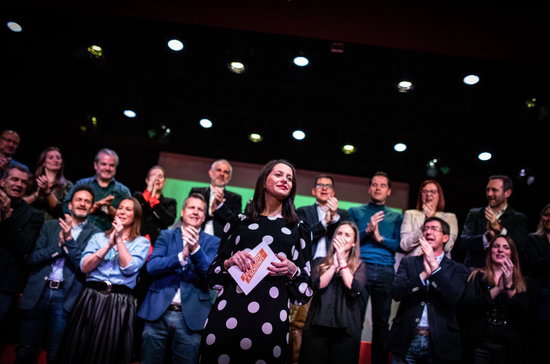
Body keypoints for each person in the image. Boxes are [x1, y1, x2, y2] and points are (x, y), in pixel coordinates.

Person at [200, 159, 312, 363]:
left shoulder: (299, 229)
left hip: (271, 318)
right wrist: (228, 262)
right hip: (228, 311)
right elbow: (212, 276)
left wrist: (293, 270)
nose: (285, 180)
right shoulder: (237, 222)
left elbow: (304, 291)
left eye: (290, 178)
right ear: (263, 180)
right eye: (278, 174)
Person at [58, 197, 150, 364]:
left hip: (118, 302)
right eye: (120, 208)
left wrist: (119, 240)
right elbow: (85, 267)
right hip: (91, 298)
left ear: (136, 216)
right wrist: (109, 244)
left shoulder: (141, 242)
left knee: (106, 351)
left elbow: (129, 268)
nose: (122, 211)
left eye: (128, 209)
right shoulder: (98, 237)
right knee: (78, 348)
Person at [15, 186, 101, 364]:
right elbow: (31, 259)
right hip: (39, 292)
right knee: (25, 351)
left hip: (66, 297)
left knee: (55, 354)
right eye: (79, 199)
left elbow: (84, 267)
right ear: (69, 205)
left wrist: (68, 242)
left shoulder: (96, 234)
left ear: (92, 208)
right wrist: (58, 248)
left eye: (87, 201)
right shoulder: (49, 226)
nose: (83, 204)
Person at [138, 193, 220, 364]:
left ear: (204, 216)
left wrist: (196, 250)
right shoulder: (166, 236)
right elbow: (152, 267)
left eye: (200, 210)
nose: (196, 212)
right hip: (158, 312)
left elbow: (211, 275)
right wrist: (180, 257)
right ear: (182, 212)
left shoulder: (213, 242)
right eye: (192, 208)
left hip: (191, 317)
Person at [388, 217, 469, 364]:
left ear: (445, 238)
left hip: (439, 342)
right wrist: (423, 275)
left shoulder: (458, 269)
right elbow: (396, 292)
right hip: (407, 338)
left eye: (434, 228)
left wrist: (434, 266)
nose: (428, 232)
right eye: (425, 228)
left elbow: (453, 297)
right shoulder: (409, 262)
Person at [290, 175, 349, 363]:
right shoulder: (303, 211)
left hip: (335, 272)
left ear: (333, 192)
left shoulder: (344, 215)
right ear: (313, 191)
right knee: (298, 323)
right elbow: (303, 236)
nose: (324, 188)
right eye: (320, 185)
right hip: (308, 270)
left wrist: (334, 218)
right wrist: (325, 222)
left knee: (325, 323)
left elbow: (347, 240)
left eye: (328, 186)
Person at [347, 171, 403, 364]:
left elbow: (400, 245)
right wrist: (367, 231)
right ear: (369, 188)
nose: (378, 188)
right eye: (375, 185)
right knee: (355, 320)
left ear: (389, 191)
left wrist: (380, 238)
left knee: (381, 323)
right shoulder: (355, 212)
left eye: (382, 185)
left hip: (386, 270)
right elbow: (350, 240)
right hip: (361, 267)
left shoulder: (396, 217)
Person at [299, 221, 367, 364]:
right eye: (339, 233)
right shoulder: (319, 261)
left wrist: (342, 262)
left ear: (354, 243)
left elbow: (353, 287)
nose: (342, 237)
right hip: (317, 327)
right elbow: (317, 286)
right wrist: (333, 265)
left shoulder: (360, 265)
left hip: (346, 330)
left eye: (347, 235)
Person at [460, 235, 532, 363]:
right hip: (480, 345)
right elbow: (467, 308)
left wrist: (509, 285)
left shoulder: (524, 282)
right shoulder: (475, 275)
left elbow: (524, 314)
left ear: (512, 254)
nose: (500, 250)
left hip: (509, 347)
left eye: (506, 247)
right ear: (490, 251)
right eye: (496, 246)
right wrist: (498, 288)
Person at [0, 165, 43, 335]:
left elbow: (24, 247)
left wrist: (8, 216)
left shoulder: (33, 215)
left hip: (5, 285)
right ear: (2, 181)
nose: (19, 184)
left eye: (24, 182)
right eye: (14, 179)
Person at [457, 175, 528, 269]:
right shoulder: (475, 214)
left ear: (507, 193)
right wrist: (486, 237)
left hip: (505, 270)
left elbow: (519, 247)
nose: (489, 194)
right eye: (487, 190)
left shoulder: (518, 218)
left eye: (494, 190)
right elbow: (463, 242)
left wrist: (500, 229)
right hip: (476, 269)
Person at [63, 148, 131, 231]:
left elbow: (131, 218)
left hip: (111, 237)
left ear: (116, 167)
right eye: (103, 164)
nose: (107, 168)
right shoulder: (82, 184)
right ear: (95, 165)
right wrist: (91, 207)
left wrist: (110, 210)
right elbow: (65, 207)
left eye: (111, 165)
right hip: (81, 234)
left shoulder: (123, 191)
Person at [400, 180, 458, 258]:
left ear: (439, 195)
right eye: (425, 191)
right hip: (415, 261)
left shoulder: (450, 217)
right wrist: (422, 228)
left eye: (433, 192)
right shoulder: (410, 214)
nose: (429, 194)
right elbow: (404, 245)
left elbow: (448, 247)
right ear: (421, 195)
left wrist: (432, 218)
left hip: (439, 264)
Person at [523, 203, 550, 362]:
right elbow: (535, 265)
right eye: (546, 215)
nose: (548, 218)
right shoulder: (532, 240)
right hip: (541, 299)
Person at [189, 159, 242, 237]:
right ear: (210, 173)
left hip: (220, 238)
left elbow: (235, 222)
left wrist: (220, 206)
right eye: (218, 170)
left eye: (226, 172)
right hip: (195, 234)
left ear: (229, 177)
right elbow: (189, 214)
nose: (222, 174)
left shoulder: (235, 198)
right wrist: (210, 211)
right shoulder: (197, 192)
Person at [23, 146, 74, 221]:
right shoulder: (31, 181)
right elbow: (20, 204)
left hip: (53, 226)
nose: (55, 160)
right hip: (29, 223)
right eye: (51, 158)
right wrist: (36, 194)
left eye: (58, 158)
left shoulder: (67, 185)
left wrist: (47, 191)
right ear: (43, 162)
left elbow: (64, 211)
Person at [134, 165, 177, 245]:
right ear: (147, 180)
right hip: (136, 239)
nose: (157, 178)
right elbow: (135, 212)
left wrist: (154, 201)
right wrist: (149, 190)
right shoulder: (138, 196)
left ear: (164, 181)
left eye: (160, 176)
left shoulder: (170, 202)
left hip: (157, 243)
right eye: (154, 175)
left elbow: (168, 221)